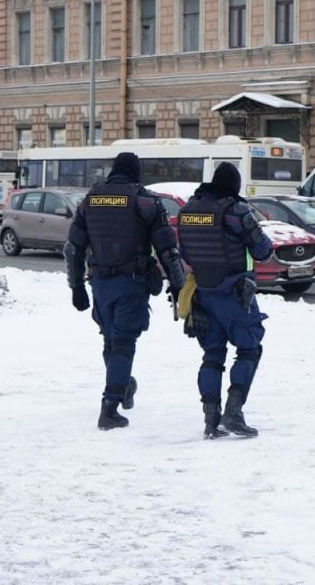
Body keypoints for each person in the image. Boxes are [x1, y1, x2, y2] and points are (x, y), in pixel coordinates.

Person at [64, 152, 185, 431]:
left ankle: (123, 385)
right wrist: (178, 286)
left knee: (110, 341)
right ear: (136, 172)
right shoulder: (146, 202)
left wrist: (76, 287)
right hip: (131, 283)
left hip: (100, 284)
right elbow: (168, 250)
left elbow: (73, 248)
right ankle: (110, 408)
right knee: (123, 343)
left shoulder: (90, 200)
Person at [178, 162, 273, 439]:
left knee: (212, 355)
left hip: (203, 294)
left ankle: (211, 421)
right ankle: (233, 413)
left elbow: (184, 251)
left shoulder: (187, 211)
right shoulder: (236, 212)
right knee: (250, 348)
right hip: (234, 293)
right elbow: (264, 251)